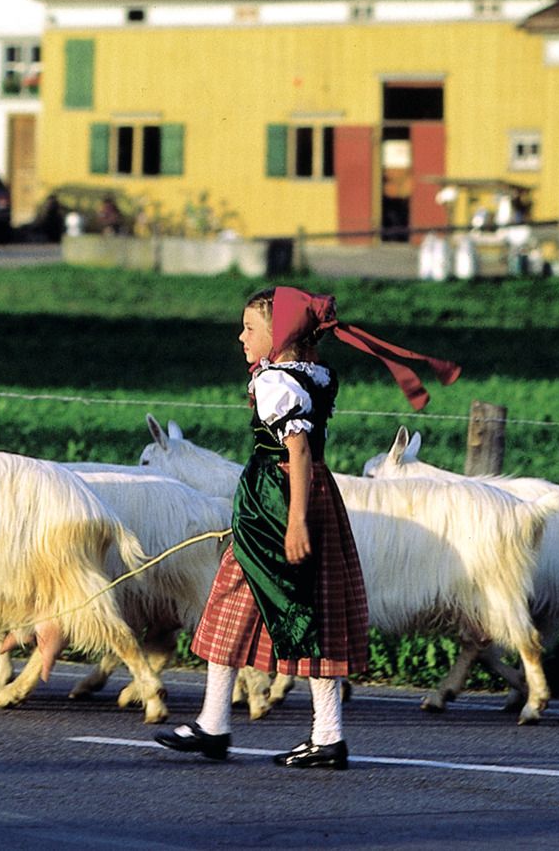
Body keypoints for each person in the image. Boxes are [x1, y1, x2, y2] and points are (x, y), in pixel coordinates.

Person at [155, 285, 460, 771]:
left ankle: (277, 731)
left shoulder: (277, 382)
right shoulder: (310, 375)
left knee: (268, 607)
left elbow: (296, 452)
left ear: (279, 335)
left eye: (250, 328)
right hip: (299, 497)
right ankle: (254, 727)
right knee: (280, 607)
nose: (241, 337)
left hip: (280, 504)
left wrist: (295, 522)